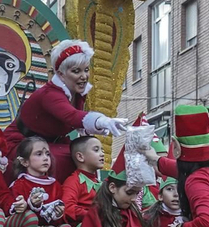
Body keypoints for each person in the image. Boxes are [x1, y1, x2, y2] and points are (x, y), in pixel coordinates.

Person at [11, 39, 129, 184]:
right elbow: (72, 116)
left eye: (86, 70)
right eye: (76, 71)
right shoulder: (50, 94)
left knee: (84, 156)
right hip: (24, 143)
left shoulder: (77, 93)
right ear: (61, 74)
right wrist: (103, 121)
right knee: (60, 159)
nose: (84, 76)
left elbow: (76, 121)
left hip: (52, 142)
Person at [73, 152, 145, 227]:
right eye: (129, 193)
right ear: (112, 188)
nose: (133, 199)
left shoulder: (132, 211)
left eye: (136, 194)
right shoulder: (96, 213)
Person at [59, 136, 107, 227]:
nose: (102, 154)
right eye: (96, 150)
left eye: (102, 150)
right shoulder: (73, 181)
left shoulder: (101, 183)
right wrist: (93, 215)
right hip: (83, 226)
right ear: (80, 157)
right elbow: (67, 207)